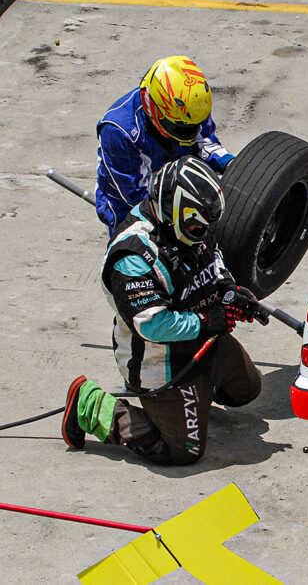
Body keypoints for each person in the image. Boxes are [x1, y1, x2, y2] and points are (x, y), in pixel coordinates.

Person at [62, 156, 261, 464]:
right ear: (173, 210)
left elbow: (215, 261)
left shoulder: (193, 225)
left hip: (202, 340)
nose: (203, 232)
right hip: (159, 360)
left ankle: (192, 397)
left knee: (247, 390)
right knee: (182, 452)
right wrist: (208, 321)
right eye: (197, 226)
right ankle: (90, 405)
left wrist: (231, 291)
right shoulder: (133, 256)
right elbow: (152, 324)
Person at [95, 56, 234, 237]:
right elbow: (135, 196)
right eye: (181, 128)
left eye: (193, 126)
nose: (190, 133)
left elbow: (205, 142)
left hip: (177, 179)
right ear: (154, 109)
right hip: (131, 207)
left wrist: (232, 164)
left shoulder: (191, 108)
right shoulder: (119, 131)